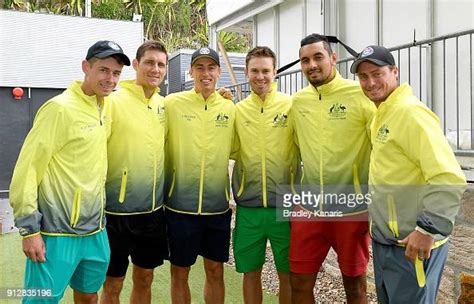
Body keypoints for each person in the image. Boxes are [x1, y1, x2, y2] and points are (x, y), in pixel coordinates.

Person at [9, 40, 130, 303]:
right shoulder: (59, 109)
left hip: (96, 231)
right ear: (86, 67)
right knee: (40, 300)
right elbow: (27, 170)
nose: (110, 79)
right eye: (103, 70)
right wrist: (29, 230)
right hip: (57, 232)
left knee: (88, 296)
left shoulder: (106, 106)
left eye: (116, 73)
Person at [351, 45, 466, 303]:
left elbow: (447, 176)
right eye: (363, 77)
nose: (370, 83)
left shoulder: (410, 112)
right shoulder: (383, 112)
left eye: (377, 74)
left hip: (412, 246)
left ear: (394, 72)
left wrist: (427, 229)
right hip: (389, 242)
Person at [289, 34, 376, 304]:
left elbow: (383, 147)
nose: (312, 65)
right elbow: (291, 148)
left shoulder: (360, 94)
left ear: (333, 58)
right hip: (309, 208)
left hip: (352, 208)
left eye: (318, 57)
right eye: (305, 60)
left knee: (354, 286)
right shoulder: (297, 101)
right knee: (299, 283)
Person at [164, 47, 235, 304]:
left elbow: (238, 148)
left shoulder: (230, 109)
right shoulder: (171, 104)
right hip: (179, 209)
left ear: (219, 72)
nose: (206, 73)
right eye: (200, 68)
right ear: (191, 71)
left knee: (215, 271)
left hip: (217, 210)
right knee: (179, 272)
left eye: (211, 68)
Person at [100, 41, 168, 304]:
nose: (155, 68)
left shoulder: (164, 104)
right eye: (150, 62)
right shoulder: (112, 101)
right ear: (137, 64)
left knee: (145, 278)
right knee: (113, 283)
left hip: (152, 213)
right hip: (116, 214)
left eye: (161, 64)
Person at [231, 46, 295, 304]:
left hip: (286, 205)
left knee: (287, 273)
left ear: (275, 72)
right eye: (255, 71)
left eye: (265, 71)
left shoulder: (292, 106)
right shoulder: (237, 110)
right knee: (250, 272)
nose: (260, 76)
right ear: (246, 72)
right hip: (249, 206)